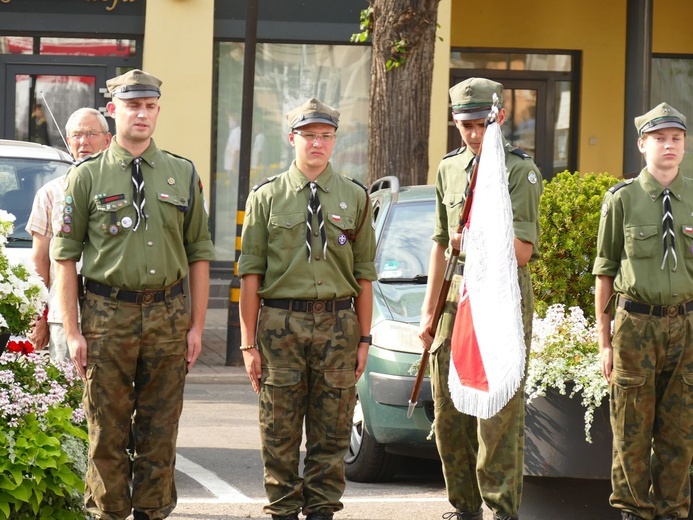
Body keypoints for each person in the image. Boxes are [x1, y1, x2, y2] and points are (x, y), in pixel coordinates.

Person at [52, 69, 215, 520]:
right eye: (132, 105)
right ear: (113, 110)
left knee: (160, 431)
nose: (142, 114)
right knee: (106, 431)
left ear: (158, 111)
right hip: (106, 316)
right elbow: (64, 258)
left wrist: (196, 325)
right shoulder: (85, 177)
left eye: (149, 106)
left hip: (168, 315)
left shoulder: (182, 173)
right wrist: (72, 330)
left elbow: (199, 253)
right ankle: (108, 515)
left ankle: (152, 513)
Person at [238, 98, 376, 520]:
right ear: (292, 138)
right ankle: (281, 510)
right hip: (281, 326)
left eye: (325, 136)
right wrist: (248, 345)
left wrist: (365, 338)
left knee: (331, 434)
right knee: (278, 432)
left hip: (339, 325)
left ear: (335, 140)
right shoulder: (266, 197)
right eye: (309, 135)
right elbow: (250, 277)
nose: (317, 143)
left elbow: (365, 274)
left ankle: (321, 512)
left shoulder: (354, 196)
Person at [418, 78, 542, 520]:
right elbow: (439, 243)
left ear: (500, 118)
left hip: (500, 298)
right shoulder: (448, 169)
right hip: (456, 296)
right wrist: (428, 311)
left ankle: (501, 509)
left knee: (498, 415)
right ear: (454, 122)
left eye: (482, 123)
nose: (474, 134)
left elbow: (522, 251)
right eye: (465, 124)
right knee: (449, 413)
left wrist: (469, 239)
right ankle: (464, 507)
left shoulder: (518, 170)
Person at [593, 102, 693, 520]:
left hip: (686, 326)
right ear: (642, 145)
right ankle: (634, 513)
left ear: (684, 145)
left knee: (680, 435)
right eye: (659, 139)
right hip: (636, 327)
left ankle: (674, 513)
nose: (668, 146)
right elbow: (604, 271)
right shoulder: (622, 199)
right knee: (631, 432)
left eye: (676, 138)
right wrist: (604, 342)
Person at [26, 107, 112, 361]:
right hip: (64, 316)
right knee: (66, 393)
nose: (83, 141)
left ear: (107, 141)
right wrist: (39, 317)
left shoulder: (124, 192)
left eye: (91, 134)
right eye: (76, 135)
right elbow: (40, 261)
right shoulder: (51, 193)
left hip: (116, 318)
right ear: (67, 141)